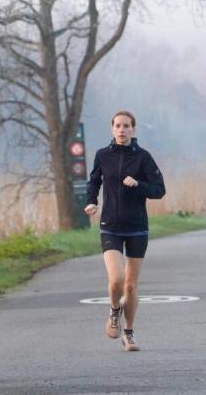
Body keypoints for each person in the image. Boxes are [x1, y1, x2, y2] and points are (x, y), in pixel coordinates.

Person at [84, 110, 166, 351]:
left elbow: (159, 190)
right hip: (110, 225)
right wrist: (92, 201)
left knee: (130, 285)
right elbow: (94, 181)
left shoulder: (143, 158)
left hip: (137, 227)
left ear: (133, 130)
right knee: (116, 280)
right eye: (118, 126)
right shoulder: (102, 155)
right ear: (112, 129)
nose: (122, 130)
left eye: (126, 126)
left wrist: (138, 184)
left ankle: (128, 332)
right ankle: (113, 311)